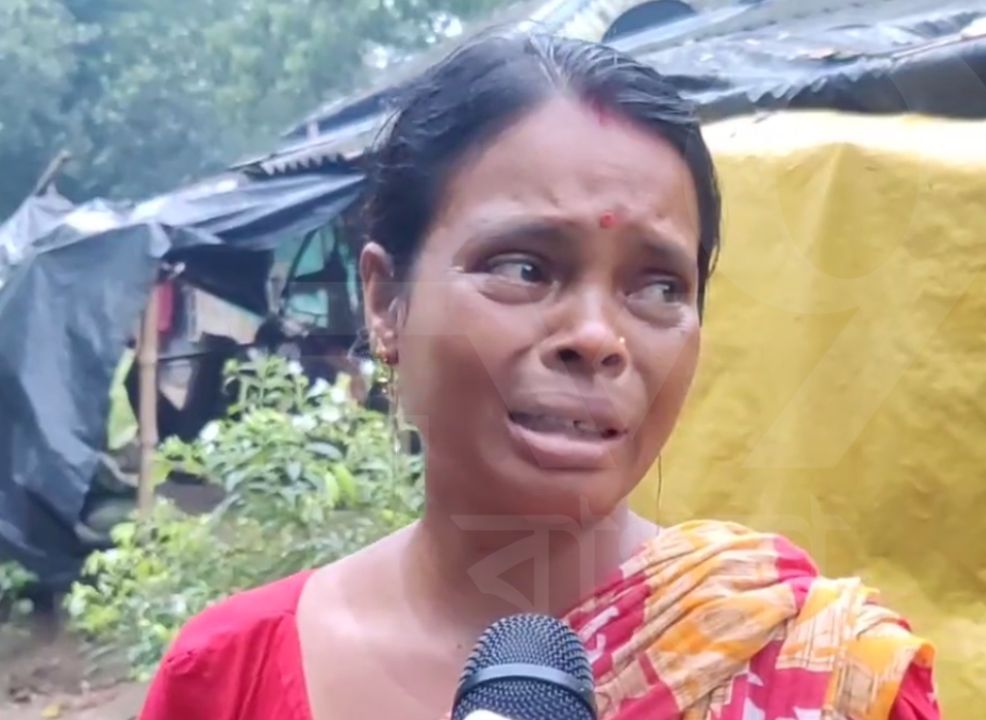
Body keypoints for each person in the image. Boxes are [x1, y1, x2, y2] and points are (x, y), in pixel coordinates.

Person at [139, 33, 940, 720]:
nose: (597, 338)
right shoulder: (225, 679)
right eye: (523, 267)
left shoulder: (817, 670)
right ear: (386, 301)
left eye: (659, 287)